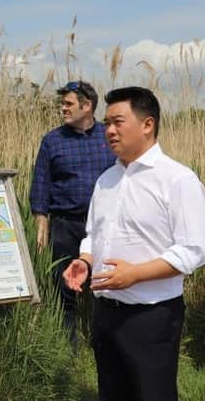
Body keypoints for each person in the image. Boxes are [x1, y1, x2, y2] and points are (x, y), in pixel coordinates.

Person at [63, 86, 205, 401]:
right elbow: (93, 234)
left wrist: (135, 274)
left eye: (118, 122)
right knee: (112, 393)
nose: (109, 131)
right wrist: (85, 261)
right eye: (106, 123)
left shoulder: (178, 180)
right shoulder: (106, 180)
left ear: (147, 124)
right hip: (105, 313)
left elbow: (193, 250)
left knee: (152, 394)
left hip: (151, 317)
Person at [29, 81, 115, 345]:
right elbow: (41, 185)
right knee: (65, 286)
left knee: (105, 284)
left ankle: (105, 340)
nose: (62, 108)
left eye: (68, 104)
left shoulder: (109, 137)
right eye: (62, 104)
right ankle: (70, 346)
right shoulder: (52, 140)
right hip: (66, 226)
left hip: (104, 227)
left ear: (87, 106)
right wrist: (41, 227)